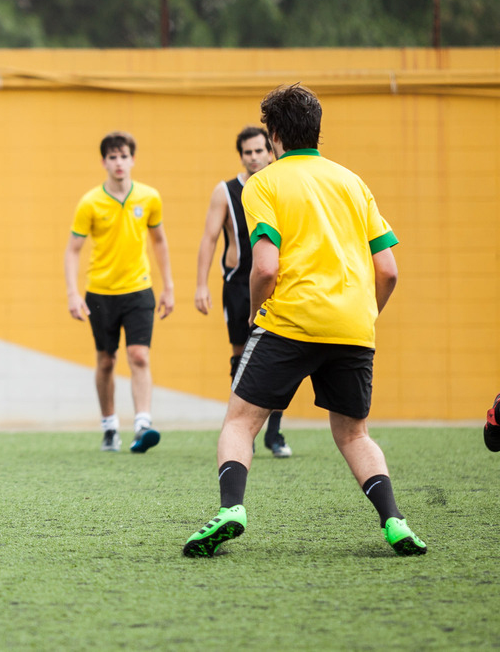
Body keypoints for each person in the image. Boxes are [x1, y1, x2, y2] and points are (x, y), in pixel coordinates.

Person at [182, 84, 426, 557]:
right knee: (354, 434)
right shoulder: (353, 182)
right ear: (317, 130)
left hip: (289, 322)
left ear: (273, 136)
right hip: (353, 326)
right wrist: (365, 313)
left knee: (239, 422)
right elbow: (389, 269)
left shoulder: (263, 184)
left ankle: (231, 509)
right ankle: (394, 521)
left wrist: (256, 313)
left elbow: (266, 266)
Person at [64, 131, 175, 453]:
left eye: (123, 156)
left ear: (132, 159)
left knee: (139, 356)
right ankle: (110, 426)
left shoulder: (149, 197)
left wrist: (168, 287)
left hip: (139, 289)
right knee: (106, 360)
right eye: (112, 157)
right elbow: (72, 250)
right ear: (104, 162)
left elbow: (160, 242)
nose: (118, 162)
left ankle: (143, 424)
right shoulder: (90, 202)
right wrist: (73, 293)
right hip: (99, 292)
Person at [195, 126, 291, 458]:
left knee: (280, 356)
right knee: (241, 355)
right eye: (247, 152)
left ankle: (274, 433)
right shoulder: (225, 191)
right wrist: (200, 285)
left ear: (270, 152)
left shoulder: (282, 185)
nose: (253, 157)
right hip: (238, 283)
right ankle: (243, 430)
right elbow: (208, 238)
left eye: (258, 151)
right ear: (241, 156)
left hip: (279, 282)